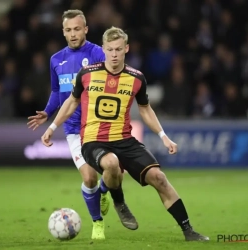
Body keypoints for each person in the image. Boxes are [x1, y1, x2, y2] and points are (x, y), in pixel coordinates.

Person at [41, 26, 210, 241]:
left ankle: (189, 231)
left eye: (118, 49)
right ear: (103, 49)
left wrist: (163, 136)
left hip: (125, 140)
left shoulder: (136, 78)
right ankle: (119, 202)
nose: (113, 54)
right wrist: (52, 128)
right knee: (111, 163)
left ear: (126, 49)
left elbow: (145, 108)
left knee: (159, 178)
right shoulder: (87, 74)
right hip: (93, 140)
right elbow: (71, 102)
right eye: (110, 49)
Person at [27, 10, 137, 240]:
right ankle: (98, 223)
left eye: (77, 29)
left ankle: (105, 192)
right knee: (89, 179)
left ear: (85, 29)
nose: (73, 34)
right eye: (68, 30)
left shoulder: (99, 53)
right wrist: (47, 113)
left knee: (114, 172)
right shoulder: (56, 59)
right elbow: (58, 91)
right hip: (74, 129)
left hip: (100, 126)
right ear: (63, 32)